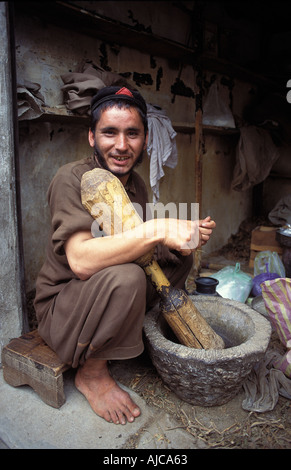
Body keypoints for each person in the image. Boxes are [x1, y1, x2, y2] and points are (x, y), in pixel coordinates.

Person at [34, 86, 216, 425]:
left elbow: (138, 245)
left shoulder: (135, 184)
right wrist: (158, 229)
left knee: (178, 259)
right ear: (91, 136)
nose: (121, 145)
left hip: (102, 296)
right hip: (64, 307)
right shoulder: (72, 178)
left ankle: (135, 332)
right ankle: (91, 374)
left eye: (132, 133)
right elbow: (81, 261)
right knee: (127, 276)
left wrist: (180, 237)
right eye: (109, 132)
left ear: (145, 139)